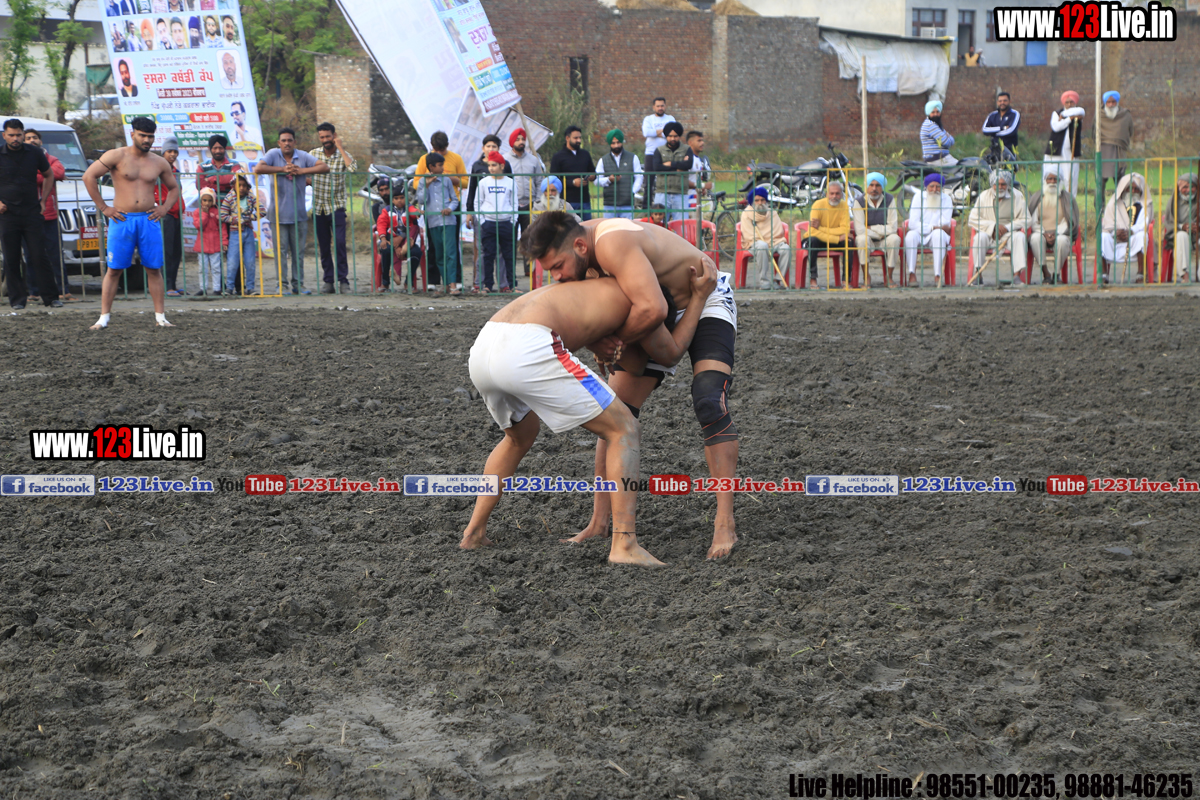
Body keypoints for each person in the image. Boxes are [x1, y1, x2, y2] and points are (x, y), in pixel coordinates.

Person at [461, 256, 717, 566]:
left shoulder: (595, 286)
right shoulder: (647, 304)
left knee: (519, 437)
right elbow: (666, 353)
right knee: (625, 428)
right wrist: (699, 298)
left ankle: (473, 532)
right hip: (528, 346)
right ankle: (625, 545)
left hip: (485, 344)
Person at [523, 212, 741, 560]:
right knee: (615, 413)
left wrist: (612, 342)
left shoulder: (611, 243)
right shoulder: (579, 256)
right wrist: (601, 343)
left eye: (559, 266)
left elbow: (653, 312)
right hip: (651, 312)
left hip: (702, 294)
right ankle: (599, 521)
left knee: (708, 400)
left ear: (580, 246)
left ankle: (724, 521)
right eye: (550, 270)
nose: (558, 277)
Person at [82, 116, 180, 328]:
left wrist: (164, 208)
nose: (147, 140)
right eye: (143, 135)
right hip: (122, 219)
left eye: (150, 136)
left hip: (148, 219)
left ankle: (160, 317)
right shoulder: (116, 155)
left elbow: (174, 188)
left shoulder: (159, 162)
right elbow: (88, 176)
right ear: (133, 134)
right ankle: (103, 318)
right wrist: (104, 207)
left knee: (153, 269)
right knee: (114, 269)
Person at [254, 127, 327, 295]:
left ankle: (298, 285)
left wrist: (302, 171)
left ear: (295, 142)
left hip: (299, 214)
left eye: (289, 140)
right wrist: (283, 169)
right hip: (277, 215)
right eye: (284, 141)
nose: (287, 143)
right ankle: (282, 285)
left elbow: (324, 167)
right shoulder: (273, 154)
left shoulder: (302, 156)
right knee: (280, 252)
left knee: (298, 252)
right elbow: (258, 168)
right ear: (279, 143)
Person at [1, 120, 61, 310]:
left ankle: (51, 298)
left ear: (22, 134)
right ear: (4, 135)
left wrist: (43, 200)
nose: (15, 138)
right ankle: (18, 300)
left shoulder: (34, 153)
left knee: (39, 255)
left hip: (31, 212)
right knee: (11, 258)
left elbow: (49, 174)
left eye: (18, 135)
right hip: (7, 214)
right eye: (11, 135)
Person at [21, 128, 69, 302]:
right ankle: (34, 292)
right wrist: (46, 175)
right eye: (28, 138)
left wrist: (36, 175)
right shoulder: (19, 159)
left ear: (41, 141)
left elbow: (59, 173)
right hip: (26, 215)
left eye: (35, 137)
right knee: (30, 255)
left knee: (55, 254)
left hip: (49, 214)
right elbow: (20, 176)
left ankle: (63, 290)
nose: (32, 140)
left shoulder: (51, 159)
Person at [309, 121, 357, 293]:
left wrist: (341, 148)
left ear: (334, 136)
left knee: (340, 243)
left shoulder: (343, 155)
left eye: (328, 136)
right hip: (318, 207)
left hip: (337, 206)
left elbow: (353, 169)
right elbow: (304, 172)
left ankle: (343, 280)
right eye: (322, 137)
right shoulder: (313, 154)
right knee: (324, 246)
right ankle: (328, 281)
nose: (325, 140)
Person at [465, 134, 512, 292]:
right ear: (483, 148)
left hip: (503, 216)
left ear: (499, 149)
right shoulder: (477, 166)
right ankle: (480, 283)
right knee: (483, 250)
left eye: (494, 146)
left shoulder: (505, 165)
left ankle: (504, 284)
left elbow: (511, 189)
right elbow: (472, 190)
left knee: (502, 251)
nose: (491, 149)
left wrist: (512, 217)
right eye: (488, 146)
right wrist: (470, 212)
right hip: (483, 215)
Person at [968, 169, 1030, 285]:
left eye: (1003, 184)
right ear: (992, 184)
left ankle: (1016, 276)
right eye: (997, 184)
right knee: (978, 238)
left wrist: (1007, 227)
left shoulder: (1017, 196)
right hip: (989, 233)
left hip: (1009, 233)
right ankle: (978, 274)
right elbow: (973, 218)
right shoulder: (984, 196)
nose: (1000, 187)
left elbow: (1026, 219)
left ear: (1008, 184)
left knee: (1020, 237)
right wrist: (993, 226)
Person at [474, 151, 519, 294]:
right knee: (488, 255)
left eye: (494, 165)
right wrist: (482, 221)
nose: (491, 168)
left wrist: (512, 221)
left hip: (506, 222)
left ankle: (511, 285)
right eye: (489, 165)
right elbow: (477, 203)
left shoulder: (510, 182)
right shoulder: (483, 182)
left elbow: (514, 203)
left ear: (502, 166)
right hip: (489, 223)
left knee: (509, 256)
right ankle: (487, 285)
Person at [1027, 166, 1080, 285]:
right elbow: (1032, 221)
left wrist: (1056, 233)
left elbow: (1070, 220)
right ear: (1045, 180)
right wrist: (1044, 233)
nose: (1052, 182)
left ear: (1060, 181)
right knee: (1035, 238)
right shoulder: (1037, 197)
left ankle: (1056, 274)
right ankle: (1045, 273)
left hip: (1062, 233)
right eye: (1049, 179)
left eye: (1055, 179)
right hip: (1041, 233)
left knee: (1062, 241)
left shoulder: (1067, 198)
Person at [417, 152, 458, 293]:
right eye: (440, 165)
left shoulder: (446, 180)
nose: (442, 168)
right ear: (431, 167)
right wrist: (427, 186)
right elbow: (421, 201)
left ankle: (453, 284)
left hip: (448, 221)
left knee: (451, 252)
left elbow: (455, 200)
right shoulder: (422, 181)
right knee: (439, 254)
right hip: (433, 222)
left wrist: (449, 208)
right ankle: (445, 284)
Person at [504, 127, 543, 271]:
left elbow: (539, 181)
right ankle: (510, 270)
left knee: (530, 238)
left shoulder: (533, 160)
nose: (521, 142)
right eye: (518, 139)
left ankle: (529, 269)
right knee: (510, 239)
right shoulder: (505, 160)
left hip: (530, 204)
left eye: (523, 139)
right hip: (512, 205)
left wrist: (537, 201)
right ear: (512, 142)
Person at [904, 173, 954, 287]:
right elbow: (912, 223)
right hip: (918, 233)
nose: (934, 190)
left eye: (938, 187)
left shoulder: (946, 199)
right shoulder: (918, 197)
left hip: (936, 234)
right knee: (910, 236)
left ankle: (938, 275)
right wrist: (932, 227)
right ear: (926, 187)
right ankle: (912, 274)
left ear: (942, 187)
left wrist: (934, 228)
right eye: (932, 186)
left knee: (938, 235)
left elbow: (945, 224)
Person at [852, 172, 901, 287]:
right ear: (867, 186)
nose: (874, 188)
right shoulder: (859, 201)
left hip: (885, 239)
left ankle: (889, 277)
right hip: (868, 239)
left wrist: (872, 228)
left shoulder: (889, 199)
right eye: (871, 185)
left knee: (895, 239)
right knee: (861, 239)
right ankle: (866, 277)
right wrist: (880, 233)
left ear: (882, 187)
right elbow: (860, 230)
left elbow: (893, 227)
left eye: (878, 185)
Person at [1101, 172, 1149, 284]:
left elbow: (1144, 224)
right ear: (1123, 189)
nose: (1133, 192)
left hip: (1133, 238)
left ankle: (1140, 274)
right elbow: (1107, 224)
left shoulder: (1144, 205)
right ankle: (1103, 275)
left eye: (1136, 189)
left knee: (1143, 236)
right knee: (1103, 237)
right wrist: (1115, 232)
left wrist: (1131, 231)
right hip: (1115, 238)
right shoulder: (1113, 203)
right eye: (1130, 189)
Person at [739, 186, 789, 290]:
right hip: (754, 243)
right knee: (762, 246)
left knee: (786, 249)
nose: (760, 203)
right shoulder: (746, 214)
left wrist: (770, 241)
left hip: (774, 242)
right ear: (752, 202)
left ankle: (778, 280)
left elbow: (778, 232)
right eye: (757, 200)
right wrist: (764, 242)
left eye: (762, 200)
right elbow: (749, 235)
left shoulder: (772, 213)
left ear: (766, 201)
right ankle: (764, 281)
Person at [803, 181, 851, 288]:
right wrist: (837, 239)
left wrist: (821, 228)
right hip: (817, 240)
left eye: (837, 193)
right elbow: (813, 231)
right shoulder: (818, 205)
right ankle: (813, 279)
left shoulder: (844, 205)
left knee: (849, 242)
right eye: (831, 193)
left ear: (842, 194)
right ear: (826, 194)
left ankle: (846, 281)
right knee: (813, 240)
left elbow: (845, 229)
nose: (834, 196)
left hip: (830, 239)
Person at [155, 137, 186, 296]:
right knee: (166, 251)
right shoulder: (158, 171)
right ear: (163, 153)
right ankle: (166, 286)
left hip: (176, 214)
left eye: (175, 151)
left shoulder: (176, 172)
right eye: (169, 151)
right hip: (165, 215)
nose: (173, 154)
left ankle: (172, 285)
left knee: (176, 251)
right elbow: (153, 191)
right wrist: (160, 205)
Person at [220, 172, 258, 295]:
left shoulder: (251, 197)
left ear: (247, 186)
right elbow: (222, 215)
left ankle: (250, 288)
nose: (241, 188)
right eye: (239, 185)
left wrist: (250, 217)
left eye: (244, 185)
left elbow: (262, 211)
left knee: (250, 261)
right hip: (235, 233)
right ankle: (229, 288)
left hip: (248, 232)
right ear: (233, 186)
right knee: (232, 261)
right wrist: (235, 219)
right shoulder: (229, 197)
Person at [377, 191, 422, 291]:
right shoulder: (387, 210)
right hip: (391, 239)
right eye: (396, 198)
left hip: (407, 240)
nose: (399, 200)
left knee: (416, 252)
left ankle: (408, 282)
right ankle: (385, 283)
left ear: (406, 199)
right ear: (392, 200)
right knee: (385, 249)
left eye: (402, 198)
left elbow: (413, 213)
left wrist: (417, 212)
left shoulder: (409, 208)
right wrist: (383, 239)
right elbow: (381, 224)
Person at [1097, 90, 1134, 211]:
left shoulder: (1125, 115)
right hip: (1103, 151)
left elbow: (1130, 131)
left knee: (1120, 181)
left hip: (1119, 151)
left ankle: (1122, 207)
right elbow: (1094, 133)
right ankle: (1099, 208)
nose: (1111, 104)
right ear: (1104, 103)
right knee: (1100, 181)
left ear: (1117, 102)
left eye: (1113, 102)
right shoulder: (1099, 115)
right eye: (1108, 102)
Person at [1045, 90, 1086, 196]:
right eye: (1067, 102)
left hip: (1071, 151)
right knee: (1053, 174)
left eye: (1071, 102)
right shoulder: (1056, 113)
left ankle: (1070, 201)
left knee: (1070, 177)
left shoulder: (1079, 112)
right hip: (1056, 150)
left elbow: (1080, 111)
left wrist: (1064, 116)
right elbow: (1056, 127)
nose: (1069, 104)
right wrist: (1069, 119)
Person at [650, 122, 692, 223]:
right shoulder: (659, 150)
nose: (672, 139)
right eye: (670, 136)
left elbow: (688, 165)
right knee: (659, 224)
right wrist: (678, 167)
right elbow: (657, 168)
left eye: (675, 136)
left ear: (679, 136)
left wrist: (669, 164)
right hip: (662, 192)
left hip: (680, 192)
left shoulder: (687, 149)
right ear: (666, 136)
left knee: (681, 224)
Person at [595, 128, 642, 220]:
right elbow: (596, 181)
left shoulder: (633, 158)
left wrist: (632, 192)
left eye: (618, 142)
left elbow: (639, 177)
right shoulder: (603, 160)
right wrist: (609, 179)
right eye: (613, 143)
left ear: (622, 142)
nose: (616, 145)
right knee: (610, 228)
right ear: (610, 144)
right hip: (609, 204)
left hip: (627, 204)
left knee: (627, 228)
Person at [550, 126, 594, 221]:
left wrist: (591, 176)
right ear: (567, 138)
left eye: (580, 138)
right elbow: (554, 179)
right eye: (575, 138)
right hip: (567, 201)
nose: (579, 140)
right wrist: (572, 182)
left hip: (584, 200)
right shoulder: (558, 157)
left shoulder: (585, 154)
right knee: (569, 228)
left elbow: (593, 172)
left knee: (587, 226)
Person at [1163, 173, 1199, 282]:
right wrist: (1182, 227)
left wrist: (1197, 226)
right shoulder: (1173, 202)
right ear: (1179, 188)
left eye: (1192, 187)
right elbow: (1169, 222)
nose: (1189, 190)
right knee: (1181, 236)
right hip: (1180, 233)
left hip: (1198, 235)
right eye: (1185, 187)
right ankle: (1185, 275)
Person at [641, 97, 675, 209]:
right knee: (648, 182)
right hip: (651, 154)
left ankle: (667, 206)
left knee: (667, 181)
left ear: (665, 106)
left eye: (662, 106)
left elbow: (673, 134)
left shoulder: (670, 118)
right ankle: (646, 208)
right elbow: (646, 132)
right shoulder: (648, 119)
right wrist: (664, 132)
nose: (660, 108)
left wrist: (656, 132)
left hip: (666, 154)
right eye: (658, 106)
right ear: (653, 107)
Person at [191, 187, 224, 294]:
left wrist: (224, 242)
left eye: (210, 200)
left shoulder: (218, 212)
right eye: (204, 200)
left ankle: (217, 289)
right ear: (201, 200)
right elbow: (199, 226)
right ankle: (203, 289)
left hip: (215, 245)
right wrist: (205, 214)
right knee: (202, 269)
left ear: (213, 201)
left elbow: (222, 228)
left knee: (216, 268)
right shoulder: (197, 212)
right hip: (202, 245)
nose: (207, 203)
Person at [920, 100, 956, 166]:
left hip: (942, 158)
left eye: (937, 112)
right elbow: (946, 142)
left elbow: (952, 141)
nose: (935, 114)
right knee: (962, 167)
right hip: (937, 159)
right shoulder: (930, 125)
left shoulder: (936, 125)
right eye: (933, 112)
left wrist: (948, 138)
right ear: (928, 113)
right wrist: (947, 136)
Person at [686, 130, 712, 210]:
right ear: (690, 143)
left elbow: (695, 180)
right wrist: (703, 185)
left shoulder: (699, 160)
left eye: (702, 140)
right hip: (687, 204)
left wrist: (702, 189)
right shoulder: (687, 159)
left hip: (696, 204)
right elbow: (682, 180)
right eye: (699, 141)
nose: (702, 143)